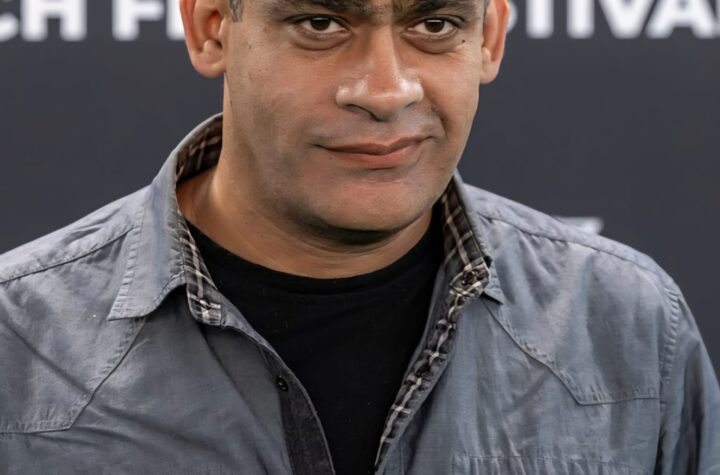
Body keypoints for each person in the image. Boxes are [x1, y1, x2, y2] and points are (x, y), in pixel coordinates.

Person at [1, 0, 718, 472]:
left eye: (435, 24)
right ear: (212, 27)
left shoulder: (625, 323)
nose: (384, 90)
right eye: (321, 23)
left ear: (489, 38)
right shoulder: (17, 343)